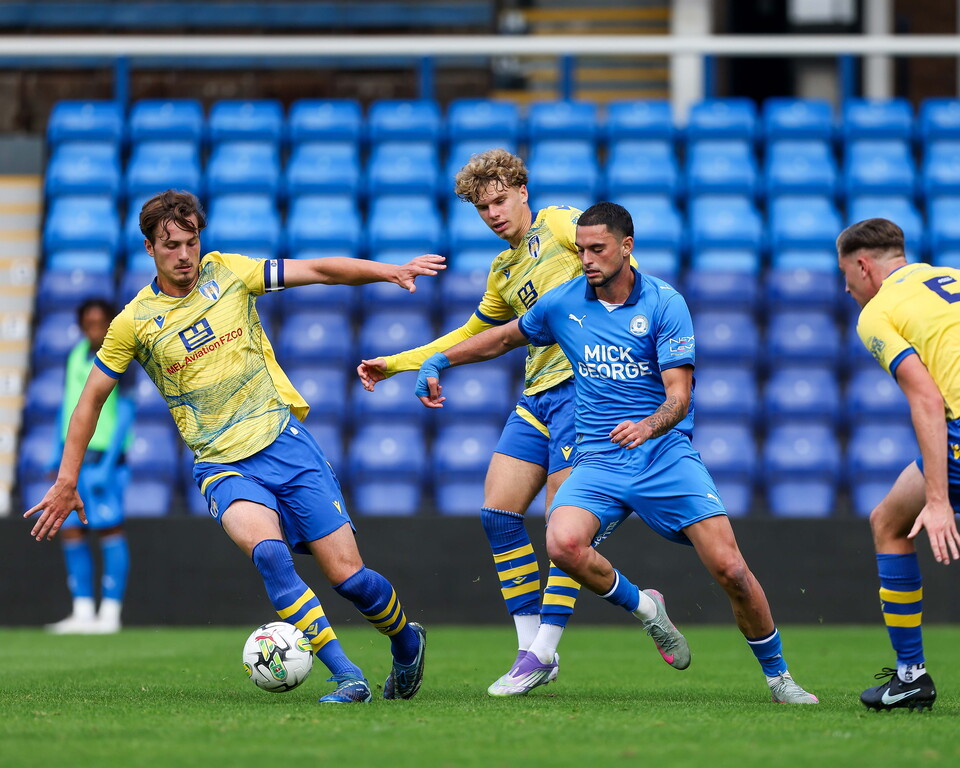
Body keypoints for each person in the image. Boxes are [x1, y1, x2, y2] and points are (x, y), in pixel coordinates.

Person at [26, 189, 443, 704]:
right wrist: (66, 480)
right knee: (268, 552)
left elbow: (318, 270)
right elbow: (90, 400)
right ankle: (347, 675)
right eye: (170, 244)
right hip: (221, 463)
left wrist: (389, 270)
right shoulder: (133, 322)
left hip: (283, 442)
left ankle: (406, 642)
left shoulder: (229, 273)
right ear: (150, 248)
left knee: (348, 577)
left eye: (191, 241)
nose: (184, 254)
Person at [415, 201, 819, 704]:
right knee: (562, 544)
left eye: (597, 249)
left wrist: (646, 427)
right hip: (600, 460)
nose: (586, 259)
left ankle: (779, 677)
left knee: (731, 569)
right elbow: (504, 338)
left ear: (626, 248)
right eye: (581, 249)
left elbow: (680, 397)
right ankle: (648, 611)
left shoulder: (665, 303)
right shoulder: (564, 303)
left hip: (664, 456)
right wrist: (439, 359)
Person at [357, 148, 590, 696]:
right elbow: (469, 337)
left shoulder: (560, 224)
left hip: (585, 391)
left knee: (563, 530)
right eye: (482, 207)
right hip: (537, 396)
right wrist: (396, 363)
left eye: (500, 200)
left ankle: (546, 650)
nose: (493, 213)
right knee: (497, 513)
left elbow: (613, 250)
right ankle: (531, 648)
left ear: (522, 192)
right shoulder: (504, 270)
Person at [837, 217, 960, 712]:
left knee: (891, 524)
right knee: (888, 517)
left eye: (845, 275)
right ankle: (909, 678)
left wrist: (938, 500)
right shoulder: (949, 276)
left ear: (864, 266)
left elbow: (928, 400)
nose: (847, 289)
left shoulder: (877, 310)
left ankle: (911, 676)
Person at [45, 297, 134, 634]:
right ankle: (82, 611)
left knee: (109, 528)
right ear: (81, 325)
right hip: (75, 461)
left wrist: (110, 463)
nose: (95, 328)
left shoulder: (119, 354)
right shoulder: (74, 356)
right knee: (69, 530)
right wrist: (58, 455)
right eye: (89, 322)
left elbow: (125, 413)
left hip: (103, 459)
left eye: (101, 322)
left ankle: (110, 613)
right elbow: (68, 405)